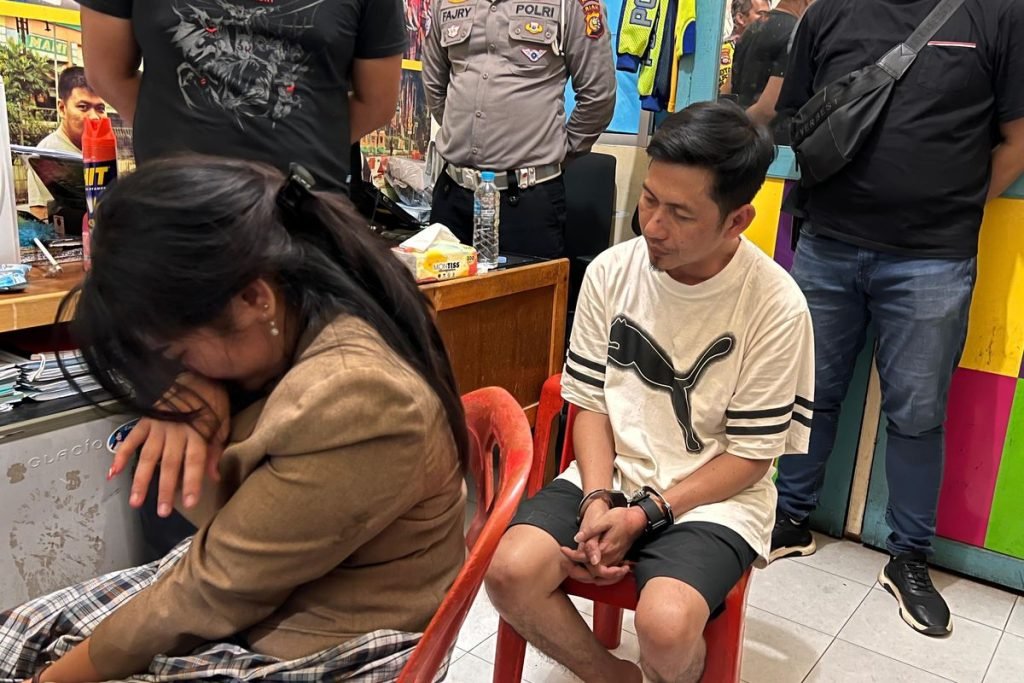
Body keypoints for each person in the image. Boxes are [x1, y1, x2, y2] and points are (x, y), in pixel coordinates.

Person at [0, 157, 468, 682]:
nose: (176, 374)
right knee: (23, 632)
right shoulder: (320, 302)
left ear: (252, 298)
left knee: (41, 656)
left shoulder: (357, 397)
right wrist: (198, 388)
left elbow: (211, 592)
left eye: (177, 353)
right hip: (276, 596)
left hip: (328, 645)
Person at [485, 101, 814, 683]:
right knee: (509, 571)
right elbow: (590, 403)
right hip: (612, 472)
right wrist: (596, 499)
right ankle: (613, 677)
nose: (654, 227)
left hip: (714, 498)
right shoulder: (611, 271)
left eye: (681, 214)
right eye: (649, 199)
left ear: (737, 220)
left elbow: (750, 458)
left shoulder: (775, 304)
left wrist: (643, 516)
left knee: (665, 626)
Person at [770, 0, 1024, 637]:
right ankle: (789, 519)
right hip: (826, 243)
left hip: (932, 259)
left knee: (917, 413)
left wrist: (955, 206)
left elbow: (1019, 138)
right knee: (809, 392)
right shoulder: (829, 12)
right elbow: (793, 117)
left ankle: (909, 556)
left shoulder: (999, 14)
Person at [76, 0, 406, 192]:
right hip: (176, 213)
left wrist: (307, 140)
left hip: (304, 217)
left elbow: (376, 102)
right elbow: (107, 73)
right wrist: (176, 128)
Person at [422, 0, 617, 258]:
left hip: (527, 204)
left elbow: (598, 96)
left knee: (527, 286)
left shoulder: (571, 4)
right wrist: (458, 132)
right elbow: (434, 84)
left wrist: (557, 153)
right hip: (452, 197)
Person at [25, 66, 108, 221]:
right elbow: (40, 213)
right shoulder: (46, 154)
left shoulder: (107, 149)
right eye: (83, 107)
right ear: (62, 108)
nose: (94, 117)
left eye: (100, 108)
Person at [731, 0, 812, 140]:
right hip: (769, 142)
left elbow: (729, 87)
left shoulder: (752, 28)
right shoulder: (795, 34)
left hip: (744, 136)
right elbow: (768, 109)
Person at [719, 0, 771, 95]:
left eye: (769, 15)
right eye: (761, 14)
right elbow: (724, 93)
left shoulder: (767, 48)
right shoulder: (723, 52)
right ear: (740, 18)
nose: (768, 19)